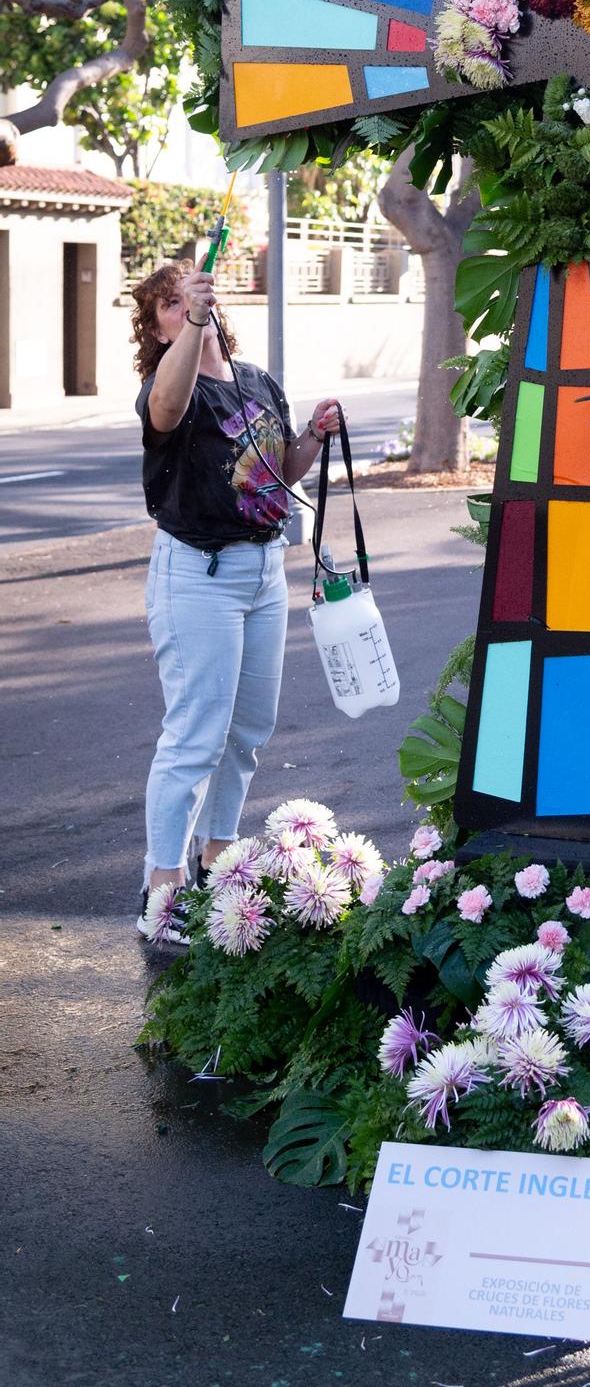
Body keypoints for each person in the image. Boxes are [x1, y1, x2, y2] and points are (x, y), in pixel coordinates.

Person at [129, 258, 344, 945]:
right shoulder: (170, 387)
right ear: (160, 329)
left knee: (248, 730)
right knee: (195, 734)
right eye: (167, 304)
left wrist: (312, 435)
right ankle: (161, 892)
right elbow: (165, 409)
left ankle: (218, 859)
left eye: (190, 295)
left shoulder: (254, 382)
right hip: (197, 572)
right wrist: (191, 324)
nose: (184, 305)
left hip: (260, 572)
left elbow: (277, 472)